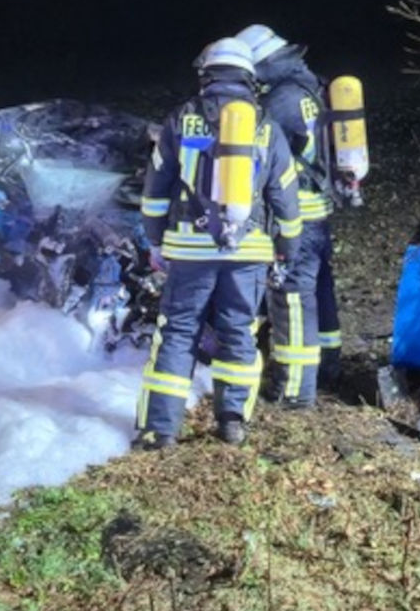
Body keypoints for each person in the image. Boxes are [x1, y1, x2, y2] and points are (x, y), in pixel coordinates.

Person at [133, 37, 302, 450]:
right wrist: (287, 249)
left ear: (205, 75)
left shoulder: (180, 120)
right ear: (249, 78)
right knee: (239, 331)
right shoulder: (266, 127)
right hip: (249, 251)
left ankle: (161, 430)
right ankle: (231, 423)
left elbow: (156, 188)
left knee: (177, 332)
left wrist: (155, 241)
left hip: (190, 249)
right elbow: (285, 195)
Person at [236, 24, 343, 406]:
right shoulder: (310, 86)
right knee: (319, 292)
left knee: (293, 297)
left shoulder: (280, 100)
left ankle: (297, 390)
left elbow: (260, 155)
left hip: (296, 214)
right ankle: (328, 364)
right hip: (318, 207)